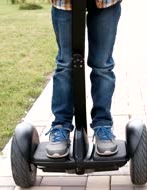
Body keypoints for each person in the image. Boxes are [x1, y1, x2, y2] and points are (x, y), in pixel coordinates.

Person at [46, 0, 122, 158]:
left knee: (102, 66)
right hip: (64, 3)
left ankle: (103, 125)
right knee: (65, 65)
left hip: (106, 3)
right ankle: (61, 126)